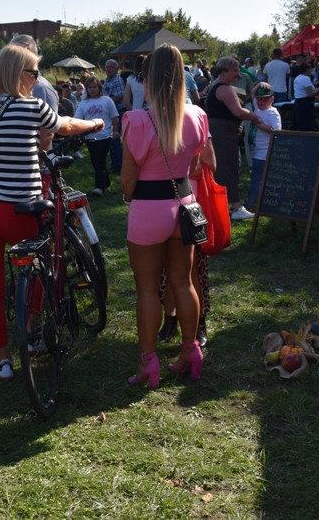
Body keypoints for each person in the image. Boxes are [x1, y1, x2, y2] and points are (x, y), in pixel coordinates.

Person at [0, 44, 102, 380]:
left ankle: (2, 360)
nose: (37, 81)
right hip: (20, 208)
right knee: (41, 270)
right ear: (17, 74)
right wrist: (93, 123)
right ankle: (33, 333)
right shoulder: (31, 107)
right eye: (33, 73)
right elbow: (64, 125)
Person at [121, 43, 210, 389]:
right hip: (185, 205)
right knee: (184, 282)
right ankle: (191, 350)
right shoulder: (197, 115)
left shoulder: (137, 120)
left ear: (148, 80)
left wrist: (129, 194)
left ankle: (148, 362)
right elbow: (198, 164)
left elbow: (128, 180)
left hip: (149, 208)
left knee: (147, 290)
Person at [205, 56, 268, 220]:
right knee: (229, 168)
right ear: (224, 71)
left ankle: (221, 205)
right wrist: (256, 117)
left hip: (220, 132)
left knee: (223, 168)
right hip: (224, 133)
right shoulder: (225, 89)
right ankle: (236, 207)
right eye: (235, 70)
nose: (238, 74)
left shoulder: (217, 86)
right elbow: (238, 111)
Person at [74, 75, 120, 196]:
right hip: (90, 137)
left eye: (95, 87)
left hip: (104, 135)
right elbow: (77, 119)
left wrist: (115, 131)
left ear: (99, 88)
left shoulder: (107, 100)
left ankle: (99, 188)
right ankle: (107, 184)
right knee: (96, 162)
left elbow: (114, 117)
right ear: (86, 89)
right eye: (90, 87)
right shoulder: (83, 103)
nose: (92, 89)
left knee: (99, 161)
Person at [245, 83, 282, 210]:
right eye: (260, 99)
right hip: (256, 151)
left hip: (264, 152)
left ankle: (250, 204)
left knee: (257, 179)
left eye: (265, 99)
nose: (261, 102)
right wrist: (259, 84)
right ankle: (258, 201)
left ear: (272, 99)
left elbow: (275, 130)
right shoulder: (258, 109)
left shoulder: (272, 113)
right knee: (257, 178)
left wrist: (257, 123)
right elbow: (252, 94)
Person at [102, 58, 125, 173]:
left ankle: (119, 165)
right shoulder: (107, 80)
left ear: (116, 69)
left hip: (117, 113)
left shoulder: (117, 80)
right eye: (107, 67)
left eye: (111, 67)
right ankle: (115, 163)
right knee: (111, 140)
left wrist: (107, 103)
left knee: (115, 139)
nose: (108, 69)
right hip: (109, 114)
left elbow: (120, 96)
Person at [292, 60, 317, 132]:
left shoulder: (297, 78)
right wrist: (317, 91)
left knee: (299, 124)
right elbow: (310, 94)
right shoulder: (306, 79)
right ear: (307, 69)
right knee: (306, 124)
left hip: (298, 102)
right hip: (305, 103)